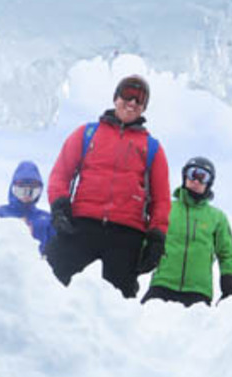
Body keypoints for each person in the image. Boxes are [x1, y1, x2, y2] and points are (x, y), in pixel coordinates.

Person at [45, 75, 172, 298]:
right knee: (52, 287)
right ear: (115, 98)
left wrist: (156, 238)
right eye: (127, 94)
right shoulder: (86, 133)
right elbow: (60, 174)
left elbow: (161, 200)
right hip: (81, 227)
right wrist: (59, 207)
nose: (132, 102)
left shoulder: (152, 148)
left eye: (140, 99)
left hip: (126, 237)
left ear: (144, 108)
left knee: (117, 308)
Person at [141, 157, 232, 307]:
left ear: (209, 183)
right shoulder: (167, 209)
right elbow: (147, 238)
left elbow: (227, 253)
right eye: (193, 174)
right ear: (185, 176)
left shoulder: (217, 217)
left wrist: (229, 281)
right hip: (163, 285)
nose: (196, 181)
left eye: (203, 177)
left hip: (198, 292)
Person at [0, 160, 55, 255]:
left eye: (32, 191)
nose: (26, 195)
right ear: (13, 189)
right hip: (4, 265)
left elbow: (58, 250)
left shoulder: (47, 219)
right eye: (21, 190)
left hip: (39, 266)